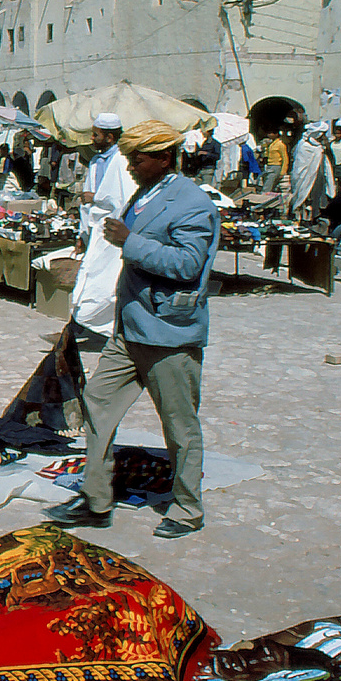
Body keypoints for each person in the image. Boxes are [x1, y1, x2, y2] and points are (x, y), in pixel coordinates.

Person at [48, 121, 219, 539]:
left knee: (179, 425)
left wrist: (130, 241)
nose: (129, 165)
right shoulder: (146, 194)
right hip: (130, 329)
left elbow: (187, 265)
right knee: (97, 403)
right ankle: (96, 498)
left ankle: (186, 507)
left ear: (163, 158)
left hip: (168, 333)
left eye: (136, 159)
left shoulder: (192, 203)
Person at [69, 113, 135, 337]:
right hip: (95, 230)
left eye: (95, 135)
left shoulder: (122, 161)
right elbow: (87, 204)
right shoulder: (96, 162)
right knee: (88, 279)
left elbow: (122, 199)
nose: (92, 138)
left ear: (109, 137)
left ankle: (94, 329)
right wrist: (82, 233)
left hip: (113, 230)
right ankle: (76, 327)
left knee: (106, 283)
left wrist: (95, 197)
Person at [260, 128, 290, 194]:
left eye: (271, 133)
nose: (269, 135)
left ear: (276, 134)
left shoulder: (280, 145)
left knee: (268, 185)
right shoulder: (271, 144)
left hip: (276, 166)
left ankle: (263, 196)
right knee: (268, 183)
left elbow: (285, 158)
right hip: (269, 165)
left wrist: (283, 172)